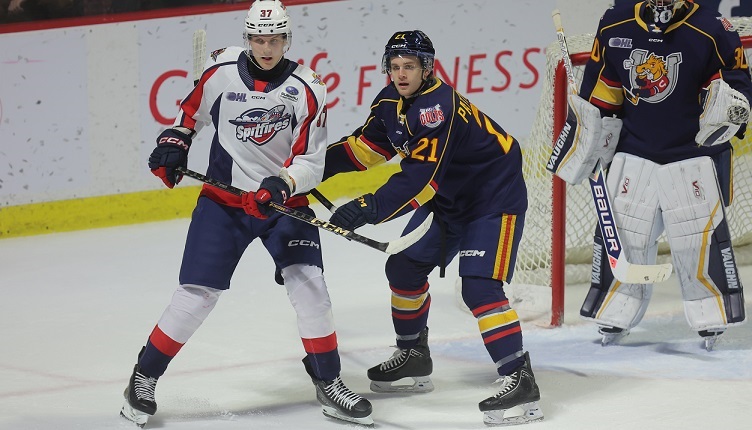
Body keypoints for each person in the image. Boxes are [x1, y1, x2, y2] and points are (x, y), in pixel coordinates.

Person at [119, 0, 372, 427]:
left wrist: (282, 184)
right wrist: (174, 144)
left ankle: (329, 382)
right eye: (258, 39)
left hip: (283, 205)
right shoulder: (219, 70)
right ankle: (143, 377)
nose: (267, 48)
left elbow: (312, 162)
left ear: (287, 40)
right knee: (196, 295)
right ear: (247, 38)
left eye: (275, 40)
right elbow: (189, 117)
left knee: (311, 287)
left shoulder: (308, 87)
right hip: (224, 204)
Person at [322, 30, 543, 426]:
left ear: (426, 68)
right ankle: (414, 356)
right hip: (449, 197)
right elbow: (363, 150)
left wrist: (369, 206)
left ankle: (519, 378)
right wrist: (302, 171)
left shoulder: (437, 108)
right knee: (404, 268)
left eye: (409, 66)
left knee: (480, 288)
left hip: (492, 199)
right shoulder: (390, 101)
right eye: (394, 66)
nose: (400, 74)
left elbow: (419, 179)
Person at [550, 0, 749, 350]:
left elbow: (738, 87)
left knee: (695, 237)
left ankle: (710, 310)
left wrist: (731, 107)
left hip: (691, 153)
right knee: (625, 231)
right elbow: (603, 90)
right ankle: (616, 306)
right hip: (634, 150)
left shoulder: (713, 29)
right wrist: (592, 133)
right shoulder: (615, 23)